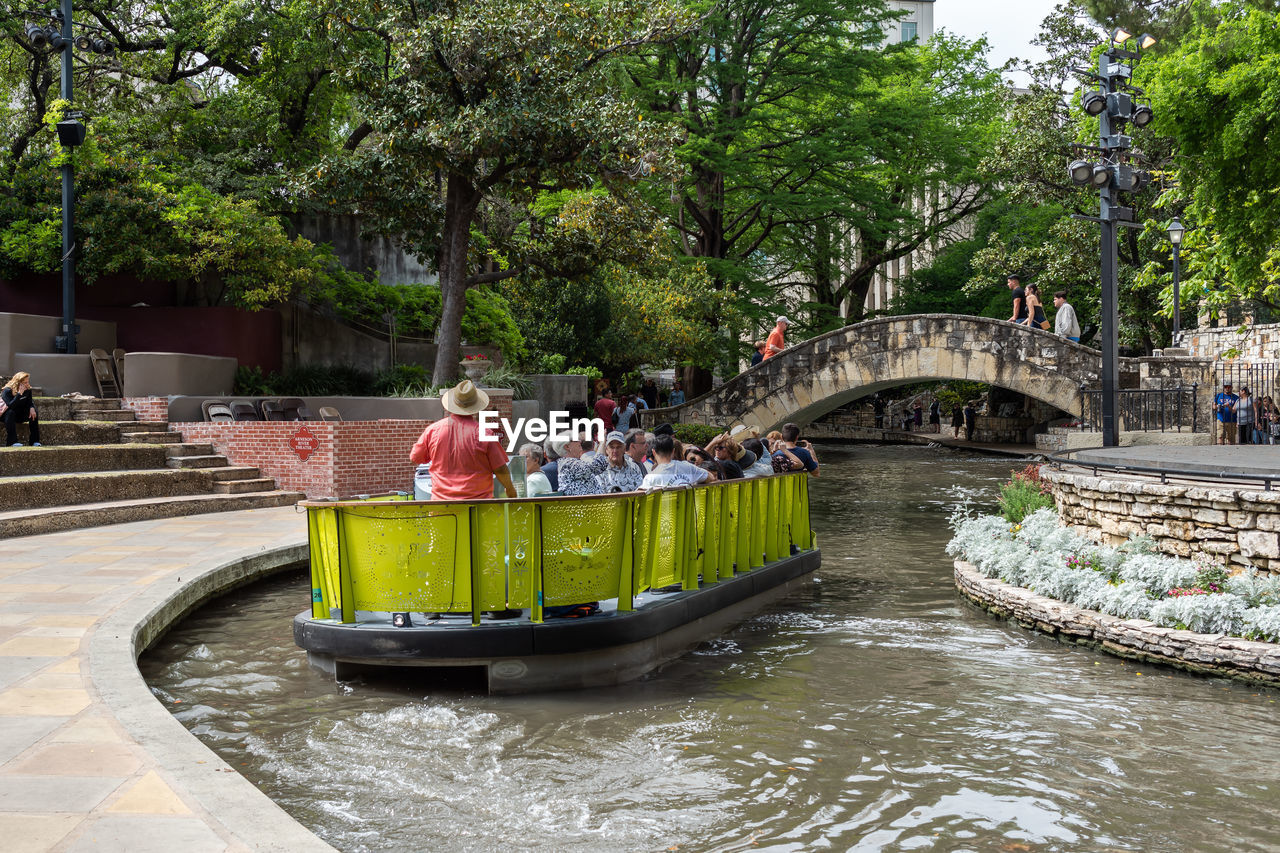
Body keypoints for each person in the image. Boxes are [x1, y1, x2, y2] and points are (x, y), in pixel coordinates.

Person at [409, 380, 515, 500]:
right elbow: (500, 468)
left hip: (441, 506)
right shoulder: (485, 433)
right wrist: (510, 489)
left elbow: (415, 458)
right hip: (478, 506)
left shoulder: (433, 431)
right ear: (476, 407)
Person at [640, 433, 711, 489]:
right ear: (673, 451)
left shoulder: (651, 477)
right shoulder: (688, 467)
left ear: (654, 452)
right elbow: (710, 477)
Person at [2, 372, 41, 447]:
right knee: (10, 412)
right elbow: (10, 406)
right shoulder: (7, 391)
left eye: (27, 382)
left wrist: (31, 407)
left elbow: (29, 401)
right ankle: (12, 442)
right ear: (18, 383)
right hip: (6, 416)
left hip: (19, 415)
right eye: (24, 383)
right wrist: (19, 394)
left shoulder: (28, 390)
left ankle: (34, 441)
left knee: (34, 412)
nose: (27, 384)